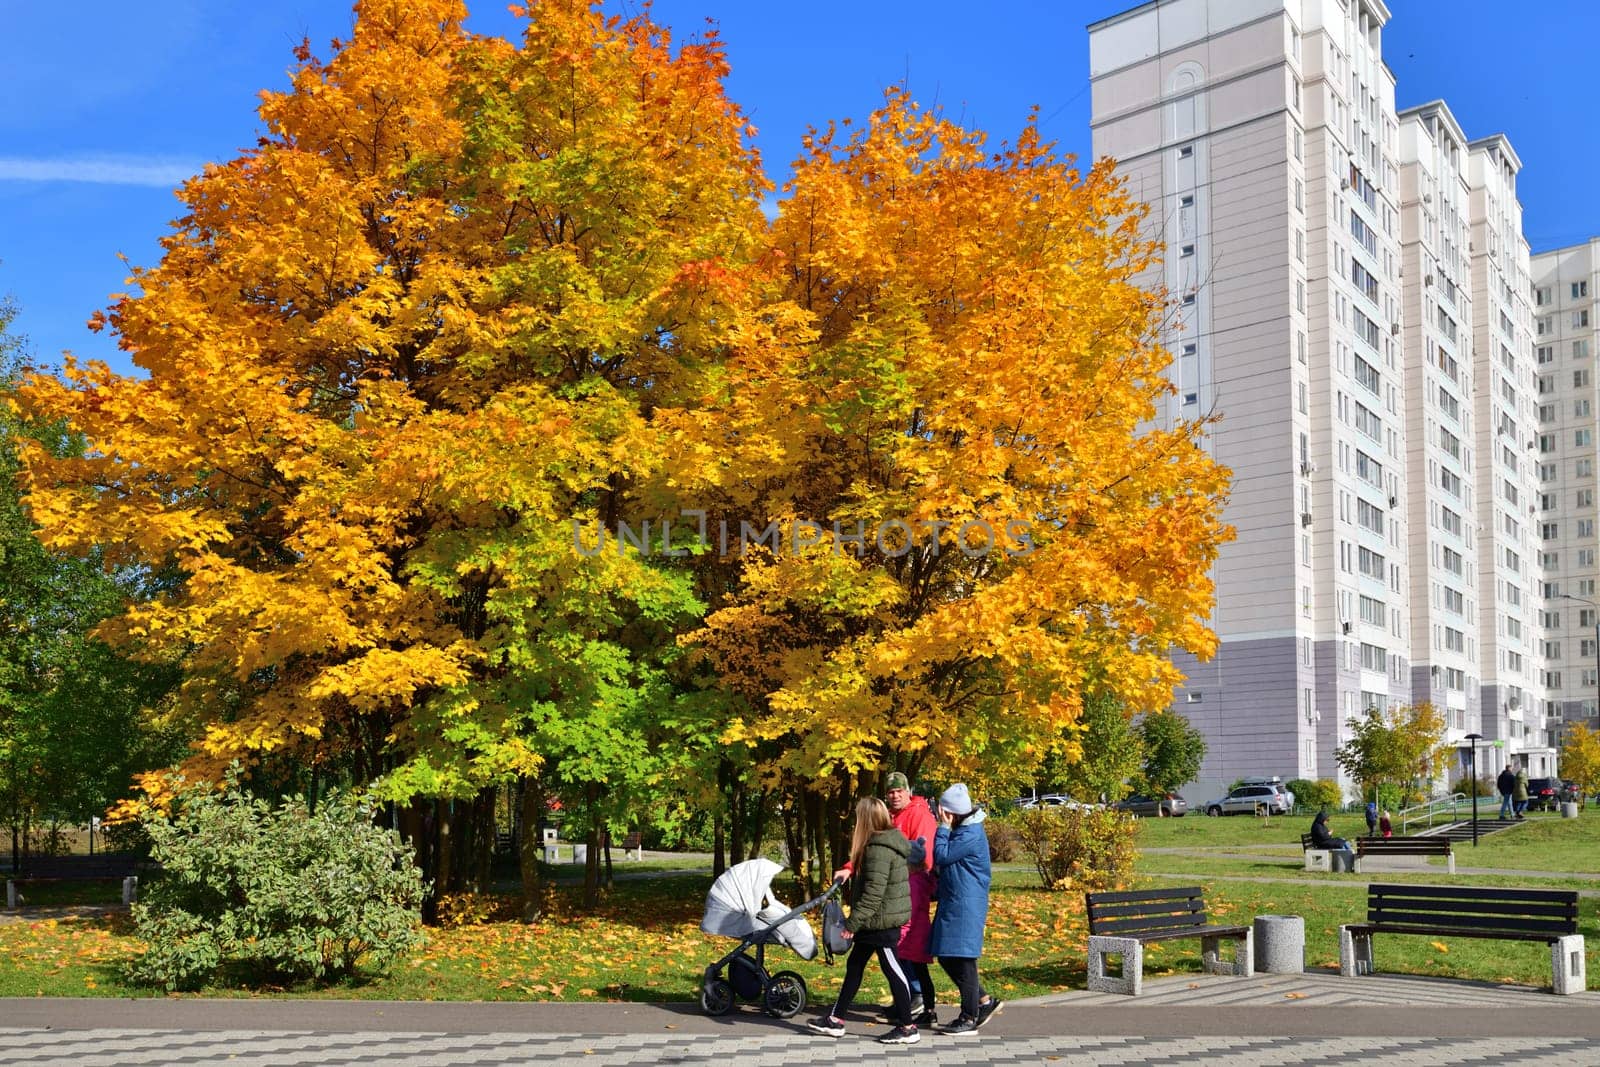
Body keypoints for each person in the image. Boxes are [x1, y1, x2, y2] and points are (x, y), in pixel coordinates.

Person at [807, 797, 919, 1045]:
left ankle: (908, 1026)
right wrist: (850, 868)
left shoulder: (878, 849)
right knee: (855, 966)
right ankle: (836, 1020)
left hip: (881, 922)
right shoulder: (879, 843)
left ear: (865, 819)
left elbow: (873, 893)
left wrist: (851, 924)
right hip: (875, 921)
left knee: (893, 970)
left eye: (858, 817)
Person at [834, 772, 940, 1027]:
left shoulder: (919, 815)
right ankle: (910, 1005)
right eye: (890, 792)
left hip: (910, 890)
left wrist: (853, 923)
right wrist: (850, 867)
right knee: (894, 953)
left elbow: (922, 858)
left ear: (907, 791)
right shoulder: (892, 818)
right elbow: (873, 856)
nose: (894, 796)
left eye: (898, 791)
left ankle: (913, 1010)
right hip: (896, 893)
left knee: (905, 950)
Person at [929, 783, 1002, 1036]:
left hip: (966, 904)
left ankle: (968, 1017)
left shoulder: (968, 833)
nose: (939, 814)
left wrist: (943, 827)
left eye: (942, 811)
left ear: (952, 813)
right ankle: (983, 1001)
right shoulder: (965, 829)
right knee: (947, 956)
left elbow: (942, 855)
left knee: (963, 959)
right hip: (956, 900)